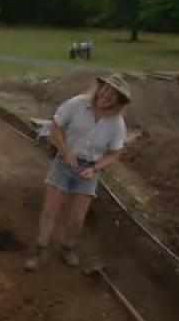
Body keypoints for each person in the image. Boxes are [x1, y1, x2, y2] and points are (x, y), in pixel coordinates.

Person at [24, 73, 130, 271]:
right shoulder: (77, 104)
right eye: (106, 90)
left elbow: (115, 154)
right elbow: (56, 127)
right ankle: (40, 250)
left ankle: (67, 247)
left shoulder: (117, 123)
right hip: (64, 162)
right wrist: (66, 153)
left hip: (89, 170)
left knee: (78, 218)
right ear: (100, 88)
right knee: (50, 211)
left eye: (113, 95)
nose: (107, 95)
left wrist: (95, 169)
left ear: (118, 101)